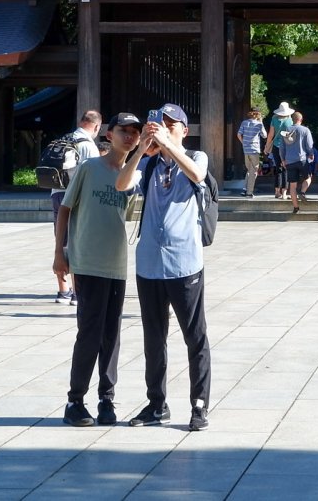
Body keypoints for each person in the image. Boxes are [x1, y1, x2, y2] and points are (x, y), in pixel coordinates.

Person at [115, 103, 212, 432]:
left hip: (184, 263)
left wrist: (169, 145)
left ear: (184, 130)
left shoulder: (196, 158)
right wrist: (142, 149)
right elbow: (122, 185)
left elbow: (197, 175)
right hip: (150, 265)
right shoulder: (151, 163)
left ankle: (199, 404)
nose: (163, 130)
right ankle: (157, 404)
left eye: (171, 126)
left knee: (194, 337)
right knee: (153, 338)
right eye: (158, 125)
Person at [54, 112, 144, 426]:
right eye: (124, 131)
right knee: (89, 333)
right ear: (109, 134)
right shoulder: (89, 169)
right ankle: (74, 401)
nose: (130, 136)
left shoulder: (133, 173)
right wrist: (59, 253)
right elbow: (65, 209)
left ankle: (107, 400)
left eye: (135, 132)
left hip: (116, 263)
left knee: (112, 335)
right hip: (88, 261)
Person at [53, 110, 103, 305]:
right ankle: (77, 292)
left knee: (61, 241)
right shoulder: (88, 146)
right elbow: (94, 177)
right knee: (77, 242)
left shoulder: (64, 139)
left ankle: (62, 291)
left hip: (56, 194)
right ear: (97, 127)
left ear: (81, 121)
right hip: (76, 197)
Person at [279, 111, 313, 215]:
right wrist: (311, 154)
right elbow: (309, 145)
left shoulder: (286, 130)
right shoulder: (305, 130)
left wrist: (283, 160)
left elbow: (281, 147)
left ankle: (296, 208)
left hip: (289, 160)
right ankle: (302, 192)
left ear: (292, 120)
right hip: (302, 159)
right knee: (308, 177)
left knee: (292, 186)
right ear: (301, 120)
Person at [263, 102, 294, 200]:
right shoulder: (289, 120)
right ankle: (284, 193)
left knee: (278, 169)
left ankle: (277, 191)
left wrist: (267, 146)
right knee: (285, 169)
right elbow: (291, 136)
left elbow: (271, 134)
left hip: (276, 146)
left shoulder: (274, 119)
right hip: (286, 147)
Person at [236, 107, 267, 197]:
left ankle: (244, 189)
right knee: (254, 171)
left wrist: (243, 143)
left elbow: (239, 134)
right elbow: (264, 135)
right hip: (254, 149)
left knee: (249, 169)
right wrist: (261, 122)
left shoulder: (244, 122)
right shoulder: (259, 124)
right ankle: (249, 192)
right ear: (258, 114)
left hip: (246, 149)